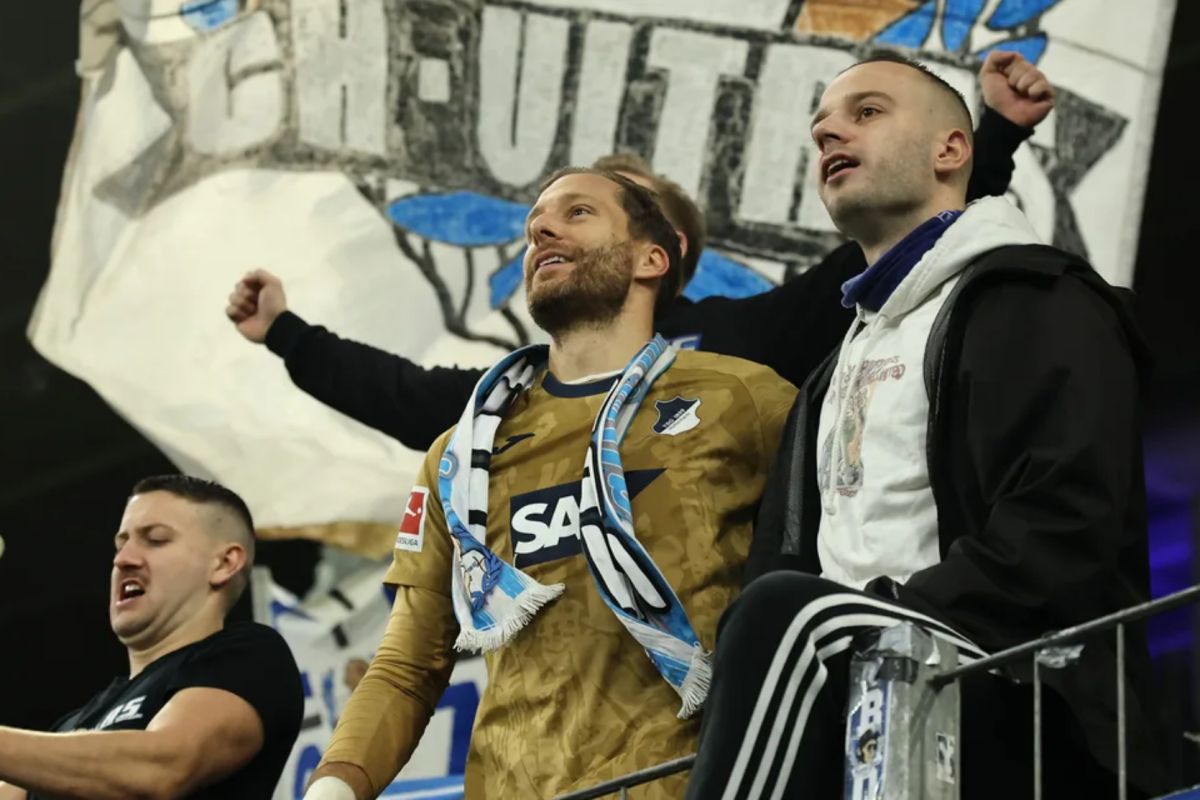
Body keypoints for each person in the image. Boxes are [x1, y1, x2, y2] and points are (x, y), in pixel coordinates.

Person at [684, 53, 1162, 798]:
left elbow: (1064, 524)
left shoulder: (1037, 295)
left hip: (1017, 687)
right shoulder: (833, 366)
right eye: (820, 128)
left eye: (867, 112)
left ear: (952, 149)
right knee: (768, 616)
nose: (829, 133)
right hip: (856, 694)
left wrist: (888, 617)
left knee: (783, 613)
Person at [226, 53, 1055, 451]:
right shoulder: (522, 387)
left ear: (664, 249)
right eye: (550, 212)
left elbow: (904, 232)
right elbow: (409, 398)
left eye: (594, 206)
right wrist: (289, 335)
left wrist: (994, 136)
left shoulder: (743, 342)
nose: (551, 228)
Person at [301, 168, 798, 799]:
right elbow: (406, 665)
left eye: (578, 212)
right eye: (536, 222)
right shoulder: (463, 454)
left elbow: (821, 576)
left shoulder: (745, 398)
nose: (540, 230)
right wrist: (335, 786)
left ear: (651, 258)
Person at [0, 476, 305, 800]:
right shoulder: (73, 723)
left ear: (224, 563)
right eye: (121, 545)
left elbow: (162, 767)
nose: (122, 559)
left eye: (156, 540)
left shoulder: (250, 656)